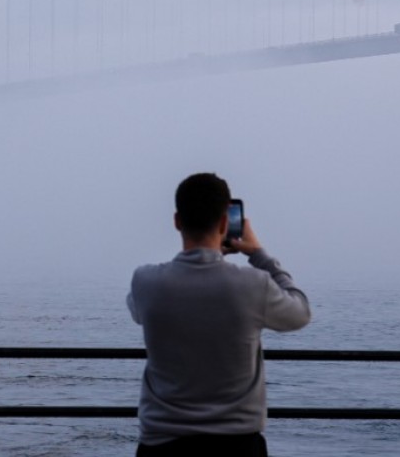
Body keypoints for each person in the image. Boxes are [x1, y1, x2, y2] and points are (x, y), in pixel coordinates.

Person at [127, 173, 311, 456]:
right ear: (225, 223)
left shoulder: (146, 282)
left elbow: (140, 309)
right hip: (237, 446)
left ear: (177, 221)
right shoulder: (253, 285)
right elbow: (300, 312)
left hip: (162, 446)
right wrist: (258, 254)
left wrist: (206, 261)